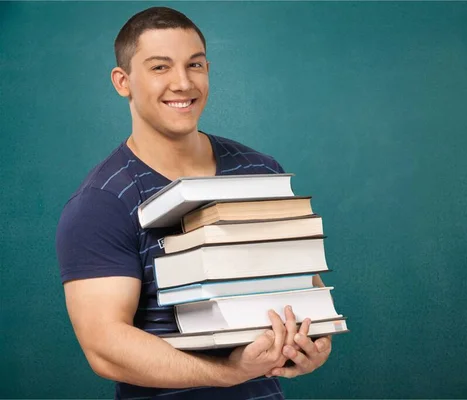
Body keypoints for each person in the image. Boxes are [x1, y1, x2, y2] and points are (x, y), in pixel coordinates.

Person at [55, 6, 331, 399]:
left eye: (195, 65)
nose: (182, 83)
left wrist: (312, 343)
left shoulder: (260, 173)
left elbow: (305, 288)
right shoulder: (102, 202)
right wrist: (228, 372)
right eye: (159, 67)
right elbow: (105, 347)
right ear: (123, 82)